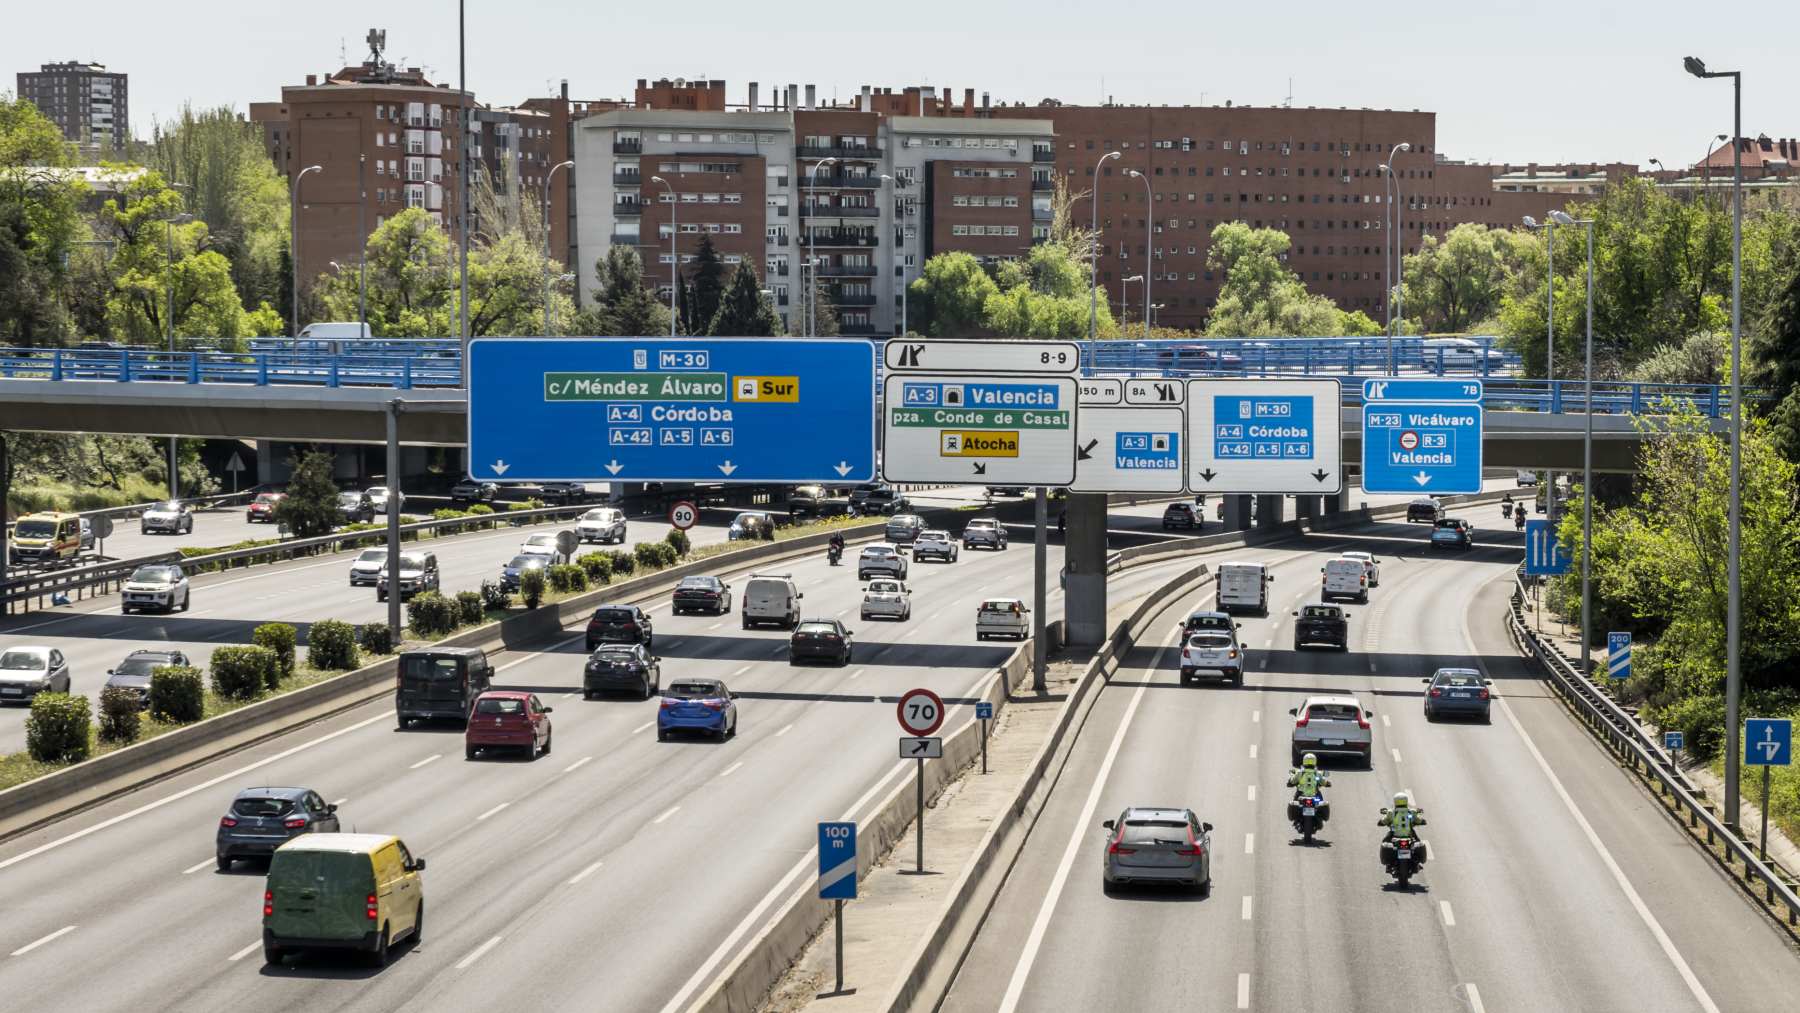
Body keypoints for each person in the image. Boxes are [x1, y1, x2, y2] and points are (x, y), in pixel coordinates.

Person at [1377, 792, 1428, 863]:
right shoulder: (1411, 812)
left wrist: (1381, 822)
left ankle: (1387, 861)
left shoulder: (1391, 812)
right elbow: (1419, 820)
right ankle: (1417, 861)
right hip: (1409, 835)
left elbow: (1384, 821)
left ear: (1395, 802)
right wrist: (1422, 821)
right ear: (1406, 801)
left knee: (1385, 842)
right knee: (1418, 841)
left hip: (1394, 835)